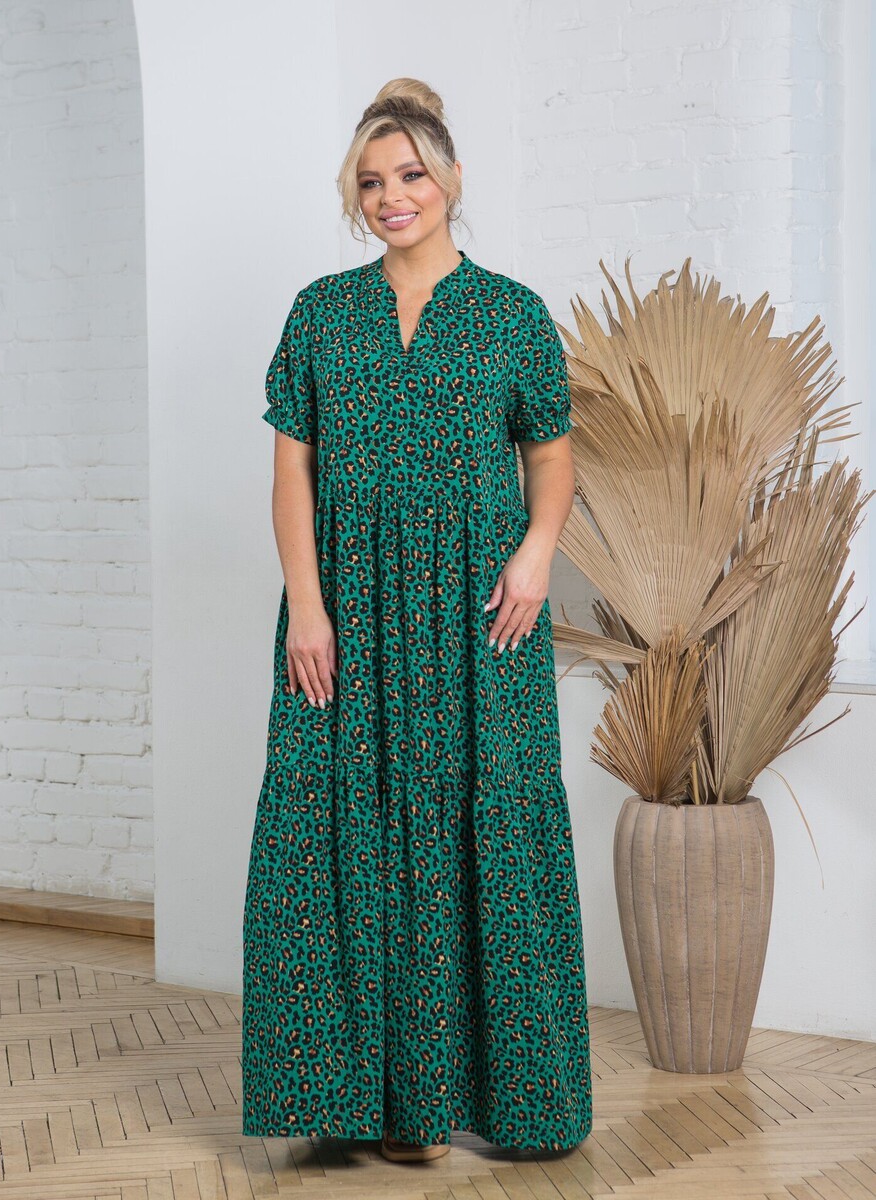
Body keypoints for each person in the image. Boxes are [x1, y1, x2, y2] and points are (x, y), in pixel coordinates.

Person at [242, 77, 592, 1164]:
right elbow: (291, 472)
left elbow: (551, 454)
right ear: (355, 199)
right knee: (338, 829)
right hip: (345, 612)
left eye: (410, 175)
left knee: (485, 825)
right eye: (371, 182)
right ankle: (380, 1103)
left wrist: (536, 553)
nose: (393, 197)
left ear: (451, 179)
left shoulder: (513, 314)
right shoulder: (320, 312)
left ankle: (503, 1102)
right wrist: (308, 606)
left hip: (482, 615)